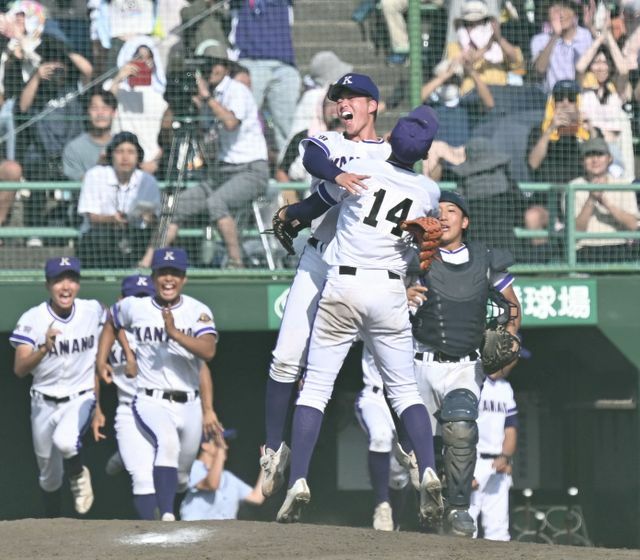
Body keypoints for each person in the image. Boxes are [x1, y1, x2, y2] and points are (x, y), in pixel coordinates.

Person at [275, 105, 443, 528]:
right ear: (424, 152)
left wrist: (295, 213)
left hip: (344, 282)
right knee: (405, 391)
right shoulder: (427, 192)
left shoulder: (364, 165)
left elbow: (315, 175)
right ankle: (426, 468)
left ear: (389, 140)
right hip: (390, 288)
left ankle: (297, 480)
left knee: (315, 389)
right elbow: (422, 252)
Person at [259, 74, 391, 498]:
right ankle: (273, 449)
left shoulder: (393, 154)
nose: (342, 104)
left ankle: (415, 456)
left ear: (374, 104)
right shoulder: (333, 144)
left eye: (352, 96)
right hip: (320, 260)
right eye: (338, 98)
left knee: (393, 374)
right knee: (285, 359)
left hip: (367, 268)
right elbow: (312, 158)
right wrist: (336, 179)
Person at [402, 189, 521, 536]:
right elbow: (383, 295)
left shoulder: (484, 258)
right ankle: (415, 515)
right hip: (419, 361)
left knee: (461, 426)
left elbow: (511, 308)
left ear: (465, 221)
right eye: (438, 211)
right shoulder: (415, 257)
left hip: (465, 365)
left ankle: (458, 509)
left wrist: (510, 340)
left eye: (452, 210)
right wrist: (403, 291)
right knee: (414, 452)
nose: (444, 216)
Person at [96, 247, 217, 521]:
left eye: (175, 273)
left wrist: (174, 333)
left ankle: (170, 508)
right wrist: (102, 360)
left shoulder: (197, 310)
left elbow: (208, 352)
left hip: (190, 402)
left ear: (184, 278)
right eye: (163, 273)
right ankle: (166, 519)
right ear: (153, 277)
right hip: (150, 398)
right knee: (167, 443)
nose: (168, 279)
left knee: (183, 477)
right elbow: (111, 320)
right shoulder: (135, 306)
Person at [152, 53, 269, 269]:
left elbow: (231, 123)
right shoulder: (208, 97)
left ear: (225, 67)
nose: (211, 69)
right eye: (205, 65)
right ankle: (149, 261)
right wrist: (187, 106)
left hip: (251, 170)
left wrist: (206, 98)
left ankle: (236, 262)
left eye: (215, 64)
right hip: (221, 172)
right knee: (175, 205)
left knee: (217, 202)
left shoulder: (236, 90)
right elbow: (203, 141)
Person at [9, 256, 105, 517]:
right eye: (58, 280)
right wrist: (43, 348)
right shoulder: (33, 318)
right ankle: (53, 527)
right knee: (49, 477)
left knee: (66, 442)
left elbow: (115, 321)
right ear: (48, 285)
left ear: (79, 284)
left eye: (71, 279)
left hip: (80, 396)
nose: (65, 286)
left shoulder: (92, 309)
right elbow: (19, 369)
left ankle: (79, 474)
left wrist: (119, 355)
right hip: (43, 402)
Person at [77, 131, 161, 268]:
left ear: (138, 156)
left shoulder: (148, 180)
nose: (125, 157)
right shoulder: (95, 175)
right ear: (111, 155)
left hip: (136, 235)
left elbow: (155, 217)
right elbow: (91, 216)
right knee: (98, 237)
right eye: (119, 151)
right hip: (100, 235)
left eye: (131, 152)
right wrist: (112, 219)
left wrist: (147, 217)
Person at [233, 0, 302, 152]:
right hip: (251, 61)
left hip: (284, 63)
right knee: (244, 121)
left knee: (287, 127)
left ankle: (288, 170)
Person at [568, 137, 640, 263]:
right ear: (582, 161)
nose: (595, 160)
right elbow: (576, 230)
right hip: (586, 249)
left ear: (609, 158)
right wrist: (591, 199)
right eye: (589, 155)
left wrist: (607, 204)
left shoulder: (623, 185)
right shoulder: (573, 187)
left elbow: (634, 225)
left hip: (619, 247)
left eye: (600, 154)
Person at [107, 37, 168, 175]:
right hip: (121, 163)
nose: (144, 62)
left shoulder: (162, 95)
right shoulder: (117, 88)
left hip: (152, 165)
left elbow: (166, 134)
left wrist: (156, 161)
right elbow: (104, 104)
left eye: (148, 58)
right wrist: (119, 78)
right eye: (138, 57)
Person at [469, 377, 518, 541]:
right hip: (472, 459)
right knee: (466, 528)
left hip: (497, 462)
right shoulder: (472, 379)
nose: (514, 361)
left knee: (499, 531)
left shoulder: (505, 387)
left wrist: (505, 457)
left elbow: (511, 427)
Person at [180, 432, 265, 520]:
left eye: (225, 443)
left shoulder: (228, 476)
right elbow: (212, 485)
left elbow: (257, 497)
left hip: (224, 532)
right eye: (219, 442)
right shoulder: (193, 467)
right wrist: (220, 450)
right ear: (205, 445)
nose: (225, 446)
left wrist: (265, 465)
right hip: (194, 530)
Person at [447, 0, 525, 94]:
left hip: (500, 90)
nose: (475, 26)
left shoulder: (497, 42)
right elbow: (462, 65)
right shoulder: (455, 46)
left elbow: (516, 60)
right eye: (470, 23)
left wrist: (498, 39)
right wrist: (487, 47)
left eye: (479, 22)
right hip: (472, 92)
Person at [530, 0, 593, 93]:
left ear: (574, 13)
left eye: (565, 9)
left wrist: (592, 28)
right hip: (553, 97)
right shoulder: (539, 40)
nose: (561, 15)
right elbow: (540, 69)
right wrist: (555, 35)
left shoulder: (586, 36)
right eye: (556, 11)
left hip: (580, 95)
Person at [63, 89, 118, 181]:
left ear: (114, 113)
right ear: (87, 112)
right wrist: (100, 167)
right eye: (94, 108)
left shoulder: (124, 146)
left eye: (105, 108)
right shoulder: (74, 148)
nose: (100, 113)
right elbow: (78, 182)